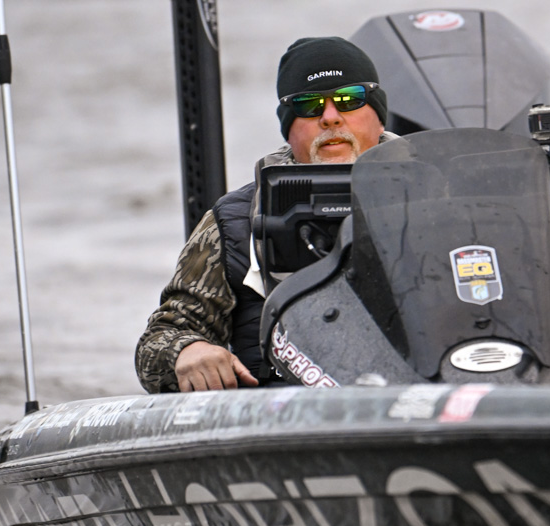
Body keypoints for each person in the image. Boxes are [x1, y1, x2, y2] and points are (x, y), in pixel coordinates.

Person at [135, 37, 396, 393]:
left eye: (349, 99)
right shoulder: (235, 222)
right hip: (287, 414)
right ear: (288, 126)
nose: (330, 117)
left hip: (421, 404)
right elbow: (158, 341)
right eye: (308, 105)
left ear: (378, 114)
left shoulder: (442, 196)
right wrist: (186, 350)